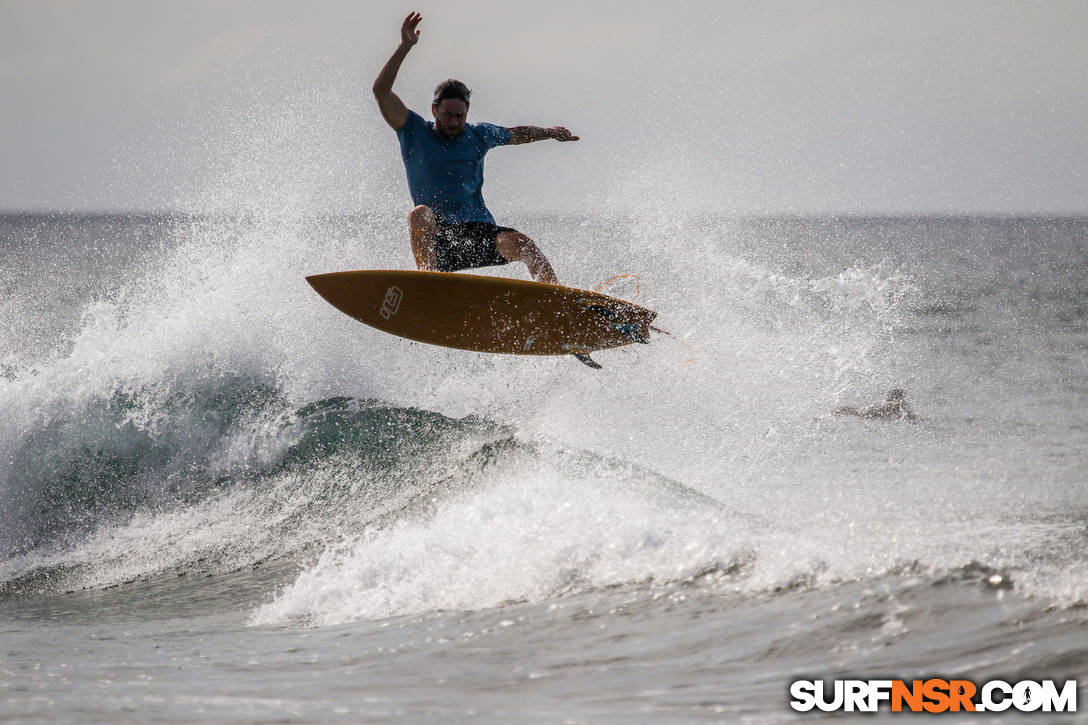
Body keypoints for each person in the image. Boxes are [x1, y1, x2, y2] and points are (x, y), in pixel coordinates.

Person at [372, 11, 578, 285]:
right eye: (447, 115)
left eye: (460, 116)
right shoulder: (413, 131)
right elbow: (381, 91)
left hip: (477, 232)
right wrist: (405, 46)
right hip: (437, 240)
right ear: (434, 110)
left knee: (524, 245)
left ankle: (555, 300)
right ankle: (428, 285)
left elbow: (516, 133)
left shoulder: (479, 135)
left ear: (467, 112)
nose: (454, 122)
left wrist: (550, 133)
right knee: (419, 214)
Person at [833, 389, 919, 422]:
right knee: (860, 412)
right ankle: (834, 411)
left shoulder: (904, 412)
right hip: (871, 416)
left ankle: (835, 411)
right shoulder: (878, 410)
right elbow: (856, 411)